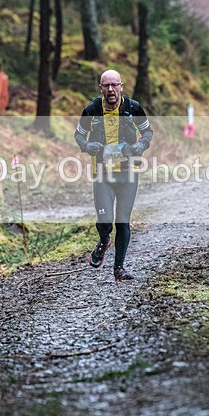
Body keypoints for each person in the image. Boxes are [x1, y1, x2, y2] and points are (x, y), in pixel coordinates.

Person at [74, 70, 153, 281]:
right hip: (102, 173)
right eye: (106, 86)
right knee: (104, 219)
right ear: (101, 88)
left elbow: (148, 132)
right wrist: (88, 146)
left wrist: (138, 146)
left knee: (123, 221)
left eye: (114, 85)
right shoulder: (91, 110)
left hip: (129, 172)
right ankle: (103, 240)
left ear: (121, 86)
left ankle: (119, 268)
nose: (110, 89)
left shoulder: (133, 108)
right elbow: (79, 135)